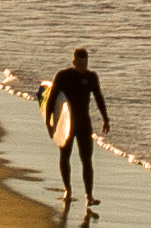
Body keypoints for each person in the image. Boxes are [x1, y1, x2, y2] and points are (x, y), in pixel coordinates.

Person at [41, 51, 111, 208]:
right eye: (79, 63)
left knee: (87, 159)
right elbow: (51, 101)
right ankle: (68, 190)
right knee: (65, 156)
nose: (82, 66)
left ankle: (89, 196)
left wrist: (105, 119)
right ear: (73, 62)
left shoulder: (91, 77)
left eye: (84, 63)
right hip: (65, 123)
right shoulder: (63, 76)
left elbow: (99, 98)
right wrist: (49, 124)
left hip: (84, 123)